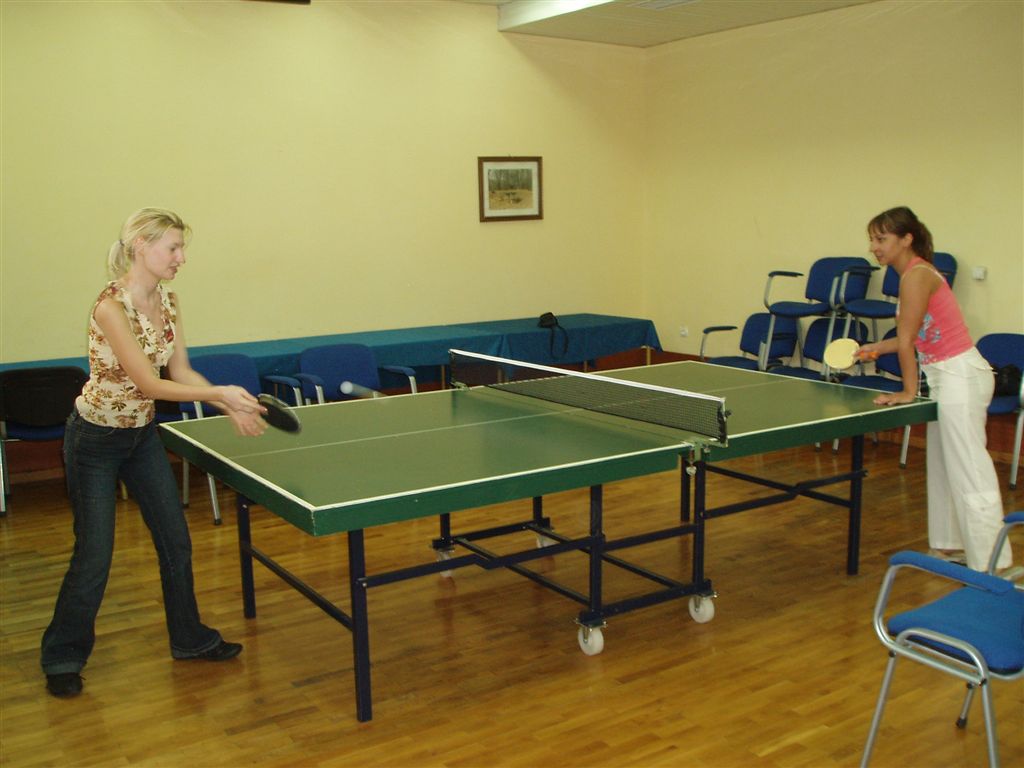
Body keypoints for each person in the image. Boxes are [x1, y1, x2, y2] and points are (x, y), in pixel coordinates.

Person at [41, 208, 268, 698]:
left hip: (141, 437)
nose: (181, 258)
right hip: (93, 441)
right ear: (141, 247)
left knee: (175, 542)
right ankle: (62, 655)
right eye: (173, 248)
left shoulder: (169, 301)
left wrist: (229, 403)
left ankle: (189, 638)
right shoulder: (110, 307)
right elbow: (149, 383)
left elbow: (179, 371)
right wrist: (221, 394)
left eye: (182, 248)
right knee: (94, 556)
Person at [858, 206, 1012, 572]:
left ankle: (991, 562)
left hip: (961, 376)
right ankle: (948, 546)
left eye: (881, 239)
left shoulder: (916, 275)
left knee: (970, 467)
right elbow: (915, 335)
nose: (874, 247)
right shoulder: (910, 275)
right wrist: (876, 347)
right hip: (944, 376)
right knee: (943, 465)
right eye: (872, 240)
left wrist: (908, 391)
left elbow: (908, 340)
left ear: (906, 239)